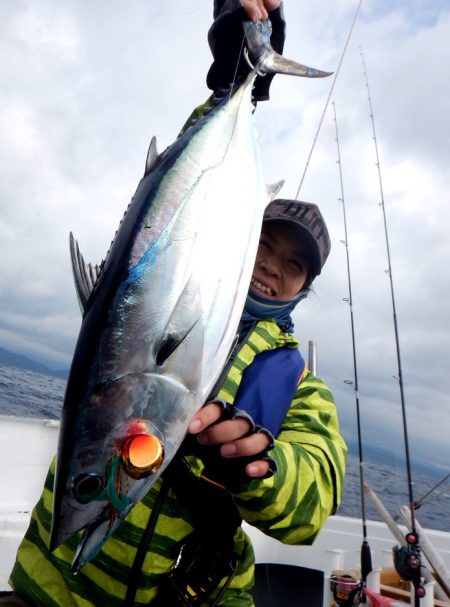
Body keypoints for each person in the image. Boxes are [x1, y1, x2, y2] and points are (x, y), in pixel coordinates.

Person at [3, 2, 347, 606]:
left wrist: (260, 472)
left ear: (304, 289)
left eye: (295, 266)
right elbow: (175, 196)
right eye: (265, 245)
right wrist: (237, 79)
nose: (273, 267)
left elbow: (312, 503)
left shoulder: (298, 387)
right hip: (49, 592)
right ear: (239, 235)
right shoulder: (172, 272)